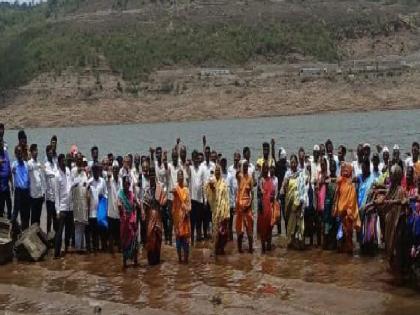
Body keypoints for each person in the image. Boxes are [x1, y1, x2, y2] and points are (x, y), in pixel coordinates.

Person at [376, 165, 409, 273]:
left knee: (397, 250)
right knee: (389, 249)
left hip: (398, 226)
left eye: (392, 175)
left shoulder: (401, 191)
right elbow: (384, 200)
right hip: (389, 224)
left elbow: (403, 203)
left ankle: (398, 274)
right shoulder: (391, 190)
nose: (390, 177)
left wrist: (390, 202)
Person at [333, 162, 360, 254]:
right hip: (340, 214)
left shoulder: (351, 186)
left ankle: (349, 256)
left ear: (350, 172)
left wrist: (347, 211)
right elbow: (337, 197)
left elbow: (352, 202)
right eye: (344, 171)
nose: (345, 172)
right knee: (340, 236)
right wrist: (336, 209)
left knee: (348, 235)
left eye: (347, 171)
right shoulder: (339, 183)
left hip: (347, 215)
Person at [282, 154, 306, 250]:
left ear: (297, 163)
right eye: (291, 162)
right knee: (290, 224)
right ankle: (291, 243)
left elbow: (303, 188)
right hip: (289, 203)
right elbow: (283, 188)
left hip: (298, 203)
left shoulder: (300, 173)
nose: (293, 164)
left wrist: (301, 202)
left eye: (294, 162)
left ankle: (298, 243)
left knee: (298, 224)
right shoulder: (287, 174)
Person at [206, 165, 230, 255]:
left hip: (223, 211)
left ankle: (221, 249)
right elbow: (208, 192)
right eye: (216, 170)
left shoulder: (224, 183)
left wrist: (226, 213)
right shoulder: (212, 182)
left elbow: (226, 198)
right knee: (216, 232)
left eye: (218, 170)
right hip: (215, 211)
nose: (217, 172)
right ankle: (215, 251)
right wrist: (211, 188)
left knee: (223, 233)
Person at [118, 175, 141, 268]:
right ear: (123, 184)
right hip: (124, 222)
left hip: (132, 222)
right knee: (125, 243)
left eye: (128, 184)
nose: (126, 185)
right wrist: (120, 207)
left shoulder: (132, 194)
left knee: (134, 243)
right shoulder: (120, 194)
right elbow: (118, 203)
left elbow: (137, 202)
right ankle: (125, 263)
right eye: (125, 183)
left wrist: (141, 209)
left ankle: (135, 262)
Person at [145, 167, 165, 265]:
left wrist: (160, 202)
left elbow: (163, 201)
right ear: (149, 176)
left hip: (158, 215)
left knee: (158, 237)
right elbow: (144, 202)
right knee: (150, 237)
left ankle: (157, 260)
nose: (152, 176)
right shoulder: (146, 189)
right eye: (150, 174)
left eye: (153, 173)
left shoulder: (159, 188)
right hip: (149, 216)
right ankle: (150, 260)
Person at [54, 154, 74, 258]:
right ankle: (56, 253)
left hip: (70, 206)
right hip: (62, 207)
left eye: (64, 161)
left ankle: (66, 248)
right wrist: (57, 211)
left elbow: (70, 185)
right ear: (59, 162)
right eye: (62, 161)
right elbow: (56, 194)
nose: (64, 163)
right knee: (59, 231)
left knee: (69, 230)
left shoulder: (68, 171)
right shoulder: (57, 175)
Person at [171, 169, 191, 263]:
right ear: (177, 177)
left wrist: (187, 210)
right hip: (177, 218)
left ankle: (186, 260)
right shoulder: (175, 189)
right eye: (178, 175)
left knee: (186, 241)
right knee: (178, 240)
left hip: (185, 217)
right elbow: (174, 204)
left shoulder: (186, 190)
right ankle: (179, 259)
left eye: (181, 175)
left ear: (183, 177)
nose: (180, 177)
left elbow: (189, 204)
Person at [86, 163, 108, 252]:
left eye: (97, 170)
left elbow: (106, 193)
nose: (96, 172)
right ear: (92, 171)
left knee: (102, 231)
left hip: (100, 211)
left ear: (99, 171)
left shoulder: (102, 181)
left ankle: (103, 248)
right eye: (94, 170)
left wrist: (102, 196)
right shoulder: (89, 182)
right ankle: (94, 249)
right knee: (93, 232)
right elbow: (85, 195)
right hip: (91, 211)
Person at [258, 163, 278, 253]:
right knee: (263, 228)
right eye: (264, 169)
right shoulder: (261, 180)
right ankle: (263, 250)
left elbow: (273, 193)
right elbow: (260, 192)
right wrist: (261, 191)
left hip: (270, 206)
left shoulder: (271, 180)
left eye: (267, 169)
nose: (266, 170)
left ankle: (269, 248)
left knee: (270, 227)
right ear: (262, 169)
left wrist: (273, 197)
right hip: (263, 206)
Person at [71, 155, 89, 252]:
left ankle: (83, 246)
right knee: (78, 225)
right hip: (76, 201)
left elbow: (86, 184)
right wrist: (77, 182)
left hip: (83, 201)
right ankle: (78, 248)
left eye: (80, 159)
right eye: (77, 159)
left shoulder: (84, 172)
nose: (79, 161)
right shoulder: (73, 170)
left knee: (83, 225)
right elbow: (71, 184)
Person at [236, 161, 254, 253]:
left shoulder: (250, 178)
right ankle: (240, 250)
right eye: (244, 166)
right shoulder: (240, 177)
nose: (246, 168)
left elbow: (252, 193)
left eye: (247, 166)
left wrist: (249, 205)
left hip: (247, 207)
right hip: (240, 208)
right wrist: (239, 165)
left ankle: (251, 249)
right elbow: (236, 174)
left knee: (249, 230)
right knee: (240, 231)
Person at [11, 145, 30, 231]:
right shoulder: (14, 164)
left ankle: (24, 231)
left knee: (25, 213)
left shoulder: (26, 164)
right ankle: (13, 230)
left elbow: (29, 178)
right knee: (15, 212)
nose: (20, 154)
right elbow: (12, 170)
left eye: (20, 153)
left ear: (22, 153)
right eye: (18, 153)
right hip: (18, 191)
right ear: (15, 154)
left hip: (26, 191)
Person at [188, 150, 205, 244]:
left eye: (197, 158)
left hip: (200, 200)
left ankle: (198, 241)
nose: (195, 160)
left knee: (199, 222)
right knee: (192, 223)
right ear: (192, 158)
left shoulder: (201, 169)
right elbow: (187, 176)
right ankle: (192, 242)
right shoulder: (190, 168)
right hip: (192, 200)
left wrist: (204, 199)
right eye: (194, 158)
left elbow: (203, 184)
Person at [28, 144, 45, 226]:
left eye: (36, 150)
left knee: (38, 218)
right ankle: (31, 236)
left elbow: (41, 179)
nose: (36, 152)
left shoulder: (39, 163)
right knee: (33, 218)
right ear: (31, 152)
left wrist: (43, 192)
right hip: (33, 195)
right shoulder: (29, 164)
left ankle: (37, 236)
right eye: (34, 150)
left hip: (40, 195)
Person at [323, 159, 338, 250]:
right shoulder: (326, 178)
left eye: (334, 166)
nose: (332, 168)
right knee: (326, 225)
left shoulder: (338, 179)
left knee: (334, 225)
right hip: (327, 204)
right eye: (331, 166)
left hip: (335, 204)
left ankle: (333, 244)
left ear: (336, 168)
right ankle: (326, 245)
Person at [107, 161, 121, 253]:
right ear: (112, 170)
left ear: (119, 170)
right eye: (114, 169)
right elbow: (107, 185)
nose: (115, 170)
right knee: (111, 234)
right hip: (111, 212)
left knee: (119, 234)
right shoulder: (109, 180)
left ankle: (120, 250)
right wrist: (108, 178)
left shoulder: (121, 181)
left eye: (117, 169)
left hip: (119, 212)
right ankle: (111, 253)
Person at [315, 157, 329, 247]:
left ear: (326, 165)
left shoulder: (328, 174)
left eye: (323, 164)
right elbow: (316, 185)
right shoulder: (319, 174)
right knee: (318, 223)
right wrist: (318, 183)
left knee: (324, 223)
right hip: (319, 199)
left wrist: (323, 181)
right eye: (321, 164)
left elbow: (328, 185)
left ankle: (324, 243)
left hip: (325, 201)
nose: (322, 165)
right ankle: (319, 243)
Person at [45, 145, 58, 234]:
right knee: (49, 218)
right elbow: (51, 174)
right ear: (47, 153)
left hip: (56, 196)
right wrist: (55, 173)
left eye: (52, 152)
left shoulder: (54, 163)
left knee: (55, 217)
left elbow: (56, 175)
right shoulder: (46, 165)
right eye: (49, 152)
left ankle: (56, 236)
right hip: (49, 196)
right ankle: (48, 234)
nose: (51, 154)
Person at [227, 152, 240, 240]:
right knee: (230, 219)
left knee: (239, 218)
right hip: (231, 196)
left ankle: (239, 236)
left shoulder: (242, 169)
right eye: (234, 159)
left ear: (239, 159)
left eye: (237, 159)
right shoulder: (230, 168)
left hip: (240, 195)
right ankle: (230, 237)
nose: (236, 161)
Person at [0, 138, 12, 220]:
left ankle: (10, 220)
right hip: (0, 186)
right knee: (1, 207)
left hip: (7, 185)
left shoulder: (6, 153)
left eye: (1, 143)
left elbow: (9, 168)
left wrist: (12, 183)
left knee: (9, 205)